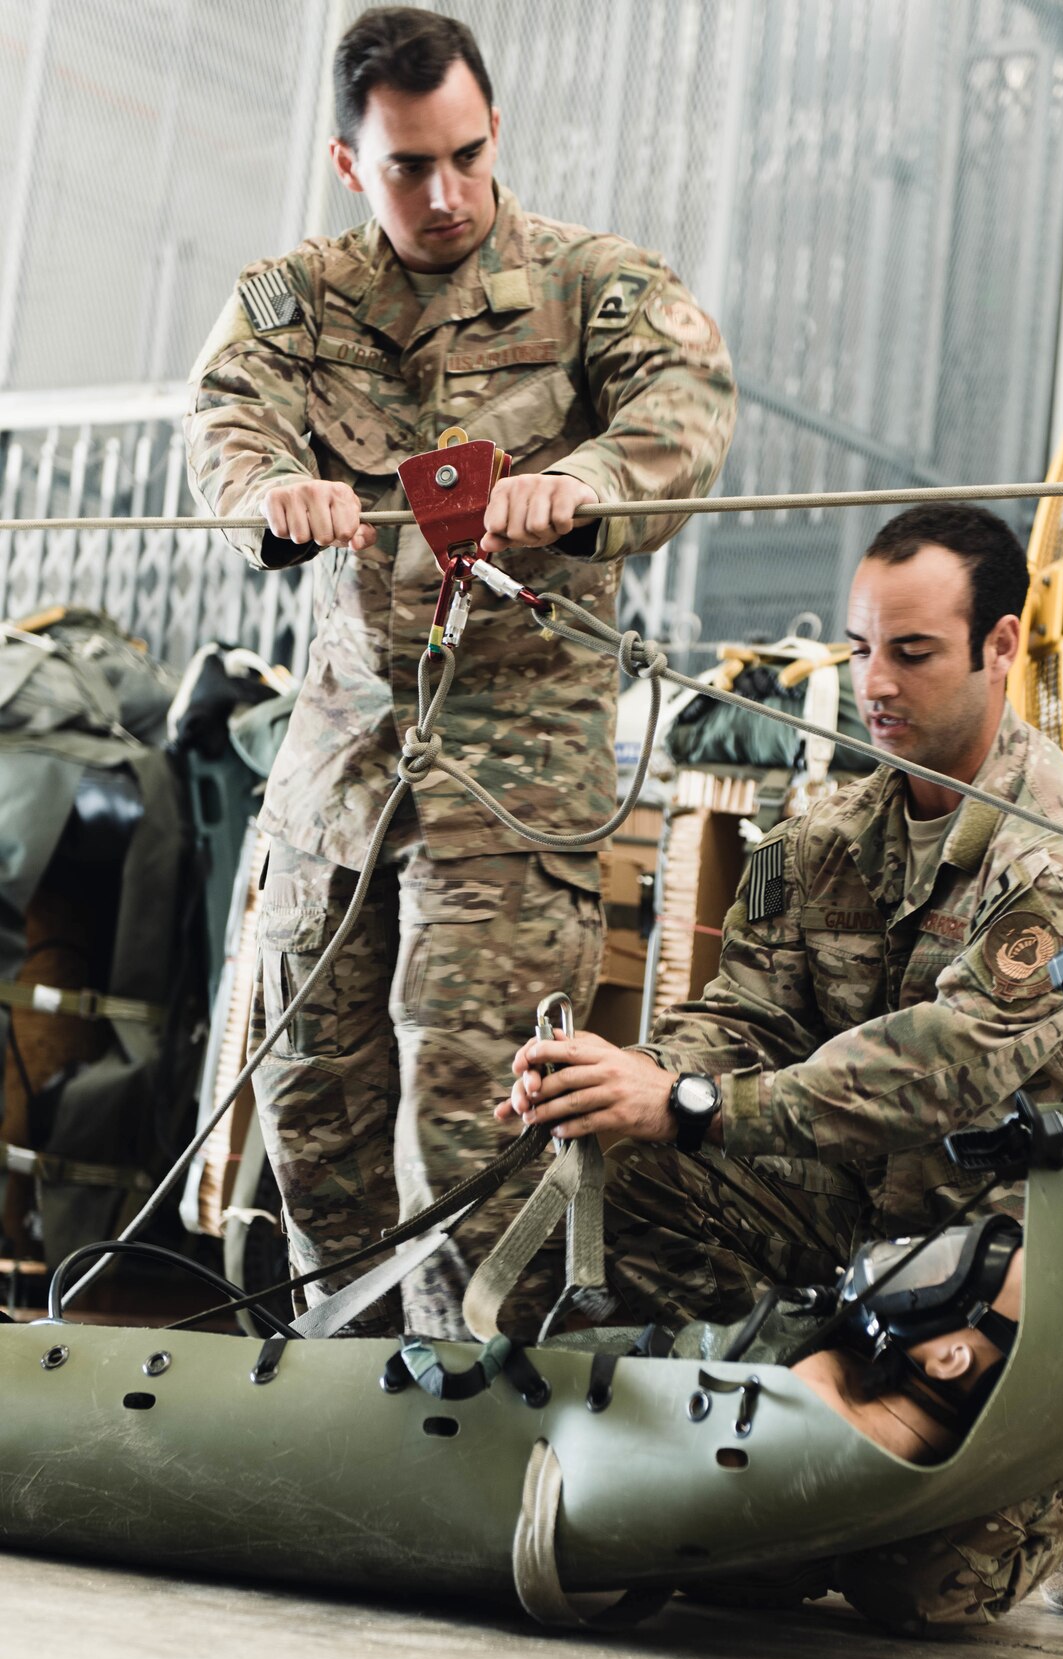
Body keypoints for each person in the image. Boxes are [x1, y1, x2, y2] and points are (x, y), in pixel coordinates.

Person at [498, 502, 1063, 1633]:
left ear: (1001, 646)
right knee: (601, 1153)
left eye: (913, 652)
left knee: (910, 1593)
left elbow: (943, 1067)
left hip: (1010, 1251)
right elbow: (743, 1013)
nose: (877, 684)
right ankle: (762, 1397)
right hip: (847, 1217)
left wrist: (694, 1103)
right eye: (862, 651)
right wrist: (622, 1076)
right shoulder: (815, 835)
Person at [184, 7, 736, 1336]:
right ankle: (347, 1389)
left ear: (492, 131)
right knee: (315, 1090)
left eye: (467, 156)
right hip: (343, 760)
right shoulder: (297, 298)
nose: (446, 195)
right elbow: (223, 416)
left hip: (512, 764)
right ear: (345, 163)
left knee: (469, 1093)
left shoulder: (595, 283)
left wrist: (583, 482)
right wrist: (270, 490)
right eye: (407, 169)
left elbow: (684, 409)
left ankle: (468, 1384)